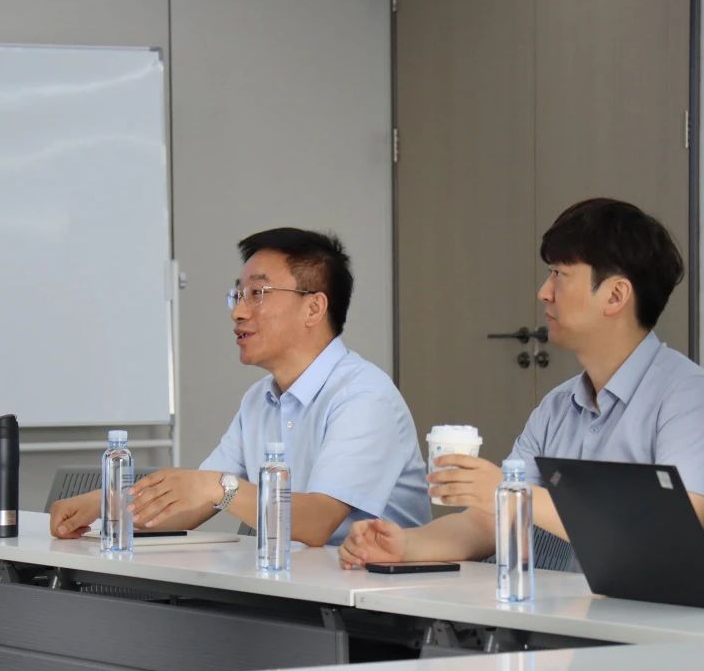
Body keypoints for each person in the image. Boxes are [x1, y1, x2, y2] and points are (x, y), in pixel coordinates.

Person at [340, 197, 704, 571]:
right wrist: (405, 546)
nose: (544, 293)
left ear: (615, 295)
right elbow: (489, 522)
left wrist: (513, 493)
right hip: (559, 610)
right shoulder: (559, 405)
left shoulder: (694, 400)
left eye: (559, 275)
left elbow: (667, 535)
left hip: (656, 619)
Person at [51, 228, 430, 546]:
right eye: (237, 295)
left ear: (314, 308)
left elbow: (317, 523)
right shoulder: (259, 400)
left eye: (258, 294)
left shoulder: (364, 397)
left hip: (375, 601)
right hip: (297, 586)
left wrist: (222, 487)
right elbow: (195, 504)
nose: (238, 312)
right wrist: (106, 506)